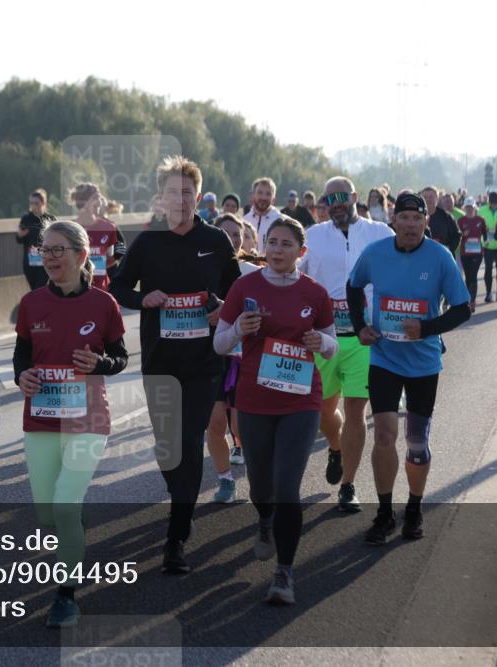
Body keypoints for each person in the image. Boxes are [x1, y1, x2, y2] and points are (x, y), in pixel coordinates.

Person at [111, 155, 240, 574]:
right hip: (160, 361)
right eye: (172, 192)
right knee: (169, 449)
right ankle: (181, 505)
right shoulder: (148, 243)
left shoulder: (217, 241)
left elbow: (237, 292)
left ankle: (176, 538)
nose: (180, 199)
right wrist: (141, 298)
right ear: (161, 198)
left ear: (198, 197)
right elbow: (117, 288)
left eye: (187, 192)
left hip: (204, 363)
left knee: (187, 443)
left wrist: (222, 309)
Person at [214, 217, 337, 604]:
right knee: (261, 486)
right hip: (253, 401)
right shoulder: (243, 287)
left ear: (301, 252)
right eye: (272, 242)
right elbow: (219, 343)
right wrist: (239, 331)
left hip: (300, 401)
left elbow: (332, 342)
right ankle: (264, 520)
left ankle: (284, 573)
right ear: (263, 247)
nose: (278, 250)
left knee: (287, 487)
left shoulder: (315, 294)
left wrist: (321, 342)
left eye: (286, 244)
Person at [13, 220, 128, 627]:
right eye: (44, 250)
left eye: (58, 250)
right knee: (50, 511)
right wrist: (21, 376)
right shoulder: (30, 305)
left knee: (64, 500)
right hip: (42, 418)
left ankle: (66, 594)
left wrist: (101, 363)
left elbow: (120, 358)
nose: (49, 257)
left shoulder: (103, 304)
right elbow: (22, 355)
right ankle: (73, 525)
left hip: (88, 419)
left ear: (82, 256)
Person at [347, 192, 471, 545]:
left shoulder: (440, 257)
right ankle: (385, 513)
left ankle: (413, 509)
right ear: (394, 221)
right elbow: (353, 287)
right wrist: (360, 328)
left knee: (416, 443)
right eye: (404, 218)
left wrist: (427, 328)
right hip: (384, 357)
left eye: (418, 219)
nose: (411, 225)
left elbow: (463, 309)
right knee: (383, 433)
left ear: (425, 223)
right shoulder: (376, 253)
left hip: (423, 362)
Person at [301, 176, 394, 512]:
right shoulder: (312, 236)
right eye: (329, 199)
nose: (335, 203)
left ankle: (348, 485)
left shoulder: (381, 234)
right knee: (324, 412)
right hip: (323, 337)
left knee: (356, 409)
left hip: (365, 338)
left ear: (354, 196)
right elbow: (293, 277)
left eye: (341, 196)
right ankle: (335, 447)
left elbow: (399, 274)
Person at [207, 213, 258, 500]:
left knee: (241, 425)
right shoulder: (203, 269)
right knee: (215, 423)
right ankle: (225, 480)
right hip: (212, 354)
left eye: (236, 234)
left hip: (246, 356)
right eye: (225, 233)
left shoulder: (252, 271)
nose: (232, 239)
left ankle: (260, 475)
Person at [70, 183, 126, 292]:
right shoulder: (69, 228)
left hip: (101, 289)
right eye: (95, 198)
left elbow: (114, 254)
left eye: (100, 197)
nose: (100, 202)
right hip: (75, 290)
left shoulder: (109, 227)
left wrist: (101, 266)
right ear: (83, 202)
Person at [17, 188, 57, 290]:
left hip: (46, 261)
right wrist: (20, 235)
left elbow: (57, 239)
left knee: (40, 288)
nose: (33, 205)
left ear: (43, 203)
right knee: (34, 289)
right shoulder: (26, 219)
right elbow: (19, 240)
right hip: (30, 262)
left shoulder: (50, 219)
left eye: (36, 203)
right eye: (31, 203)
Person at [456, 197, 488, 311]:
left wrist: (486, 242)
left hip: (477, 253)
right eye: (467, 207)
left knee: (473, 276)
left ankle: (472, 301)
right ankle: (468, 299)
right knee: (468, 277)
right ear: (465, 208)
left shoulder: (480, 220)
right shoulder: (461, 221)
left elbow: (485, 233)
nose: (469, 209)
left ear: (474, 208)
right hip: (465, 253)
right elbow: (457, 236)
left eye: (471, 207)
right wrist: (463, 234)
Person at [478, 191, 497, 301]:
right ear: (488, 201)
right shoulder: (482, 210)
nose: (493, 205)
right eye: (491, 203)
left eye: (495, 203)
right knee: (488, 270)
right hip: (488, 245)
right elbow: (478, 225)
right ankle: (488, 293)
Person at [244, 177, 283, 250]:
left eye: (268, 194)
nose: (263, 197)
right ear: (252, 195)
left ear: (273, 199)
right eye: (260, 192)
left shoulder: (280, 221)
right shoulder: (244, 221)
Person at [421, 187, 461, 254]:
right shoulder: (416, 217)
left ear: (437, 198)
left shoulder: (447, 217)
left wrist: (449, 249)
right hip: (423, 255)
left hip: (443, 256)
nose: (428, 200)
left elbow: (457, 235)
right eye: (425, 197)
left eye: (431, 197)